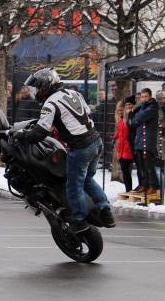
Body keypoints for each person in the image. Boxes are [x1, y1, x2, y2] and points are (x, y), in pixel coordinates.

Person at [12, 68, 115, 233]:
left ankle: (79, 220)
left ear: (46, 85)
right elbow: (87, 112)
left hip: (81, 148)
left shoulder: (50, 103)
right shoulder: (73, 93)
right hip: (96, 142)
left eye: (37, 87)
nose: (36, 91)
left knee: (73, 186)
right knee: (87, 179)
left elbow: (40, 132)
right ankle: (105, 210)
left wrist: (22, 135)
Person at [131, 88, 160, 197]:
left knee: (149, 165)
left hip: (148, 141)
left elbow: (140, 117)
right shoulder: (142, 107)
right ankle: (145, 184)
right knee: (141, 165)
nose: (143, 99)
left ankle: (153, 186)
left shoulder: (153, 106)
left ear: (150, 96)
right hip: (139, 140)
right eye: (142, 97)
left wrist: (137, 116)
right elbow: (133, 122)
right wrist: (137, 117)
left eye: (145, 97)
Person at [114, 101, 134, 192]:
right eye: (118, 111)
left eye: (121, 110)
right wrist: (114, 137)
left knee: (125, 169)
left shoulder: (128, 120)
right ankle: (128, 189)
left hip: (127, 148)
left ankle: (129, 189)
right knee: (124, 170)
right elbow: (119, 132)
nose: (120, 112)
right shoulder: (120, 120)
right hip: (121, 149)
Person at [124, 95, 143, 192]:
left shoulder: (135, 113)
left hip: (137, 142)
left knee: (140, 166)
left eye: (130, 104)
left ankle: (142, 185)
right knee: (139, 166)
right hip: (132, 143)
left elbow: (133, 127)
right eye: (126, 104)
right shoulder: (129, 114)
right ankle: (141, 184)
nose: (128, 106)